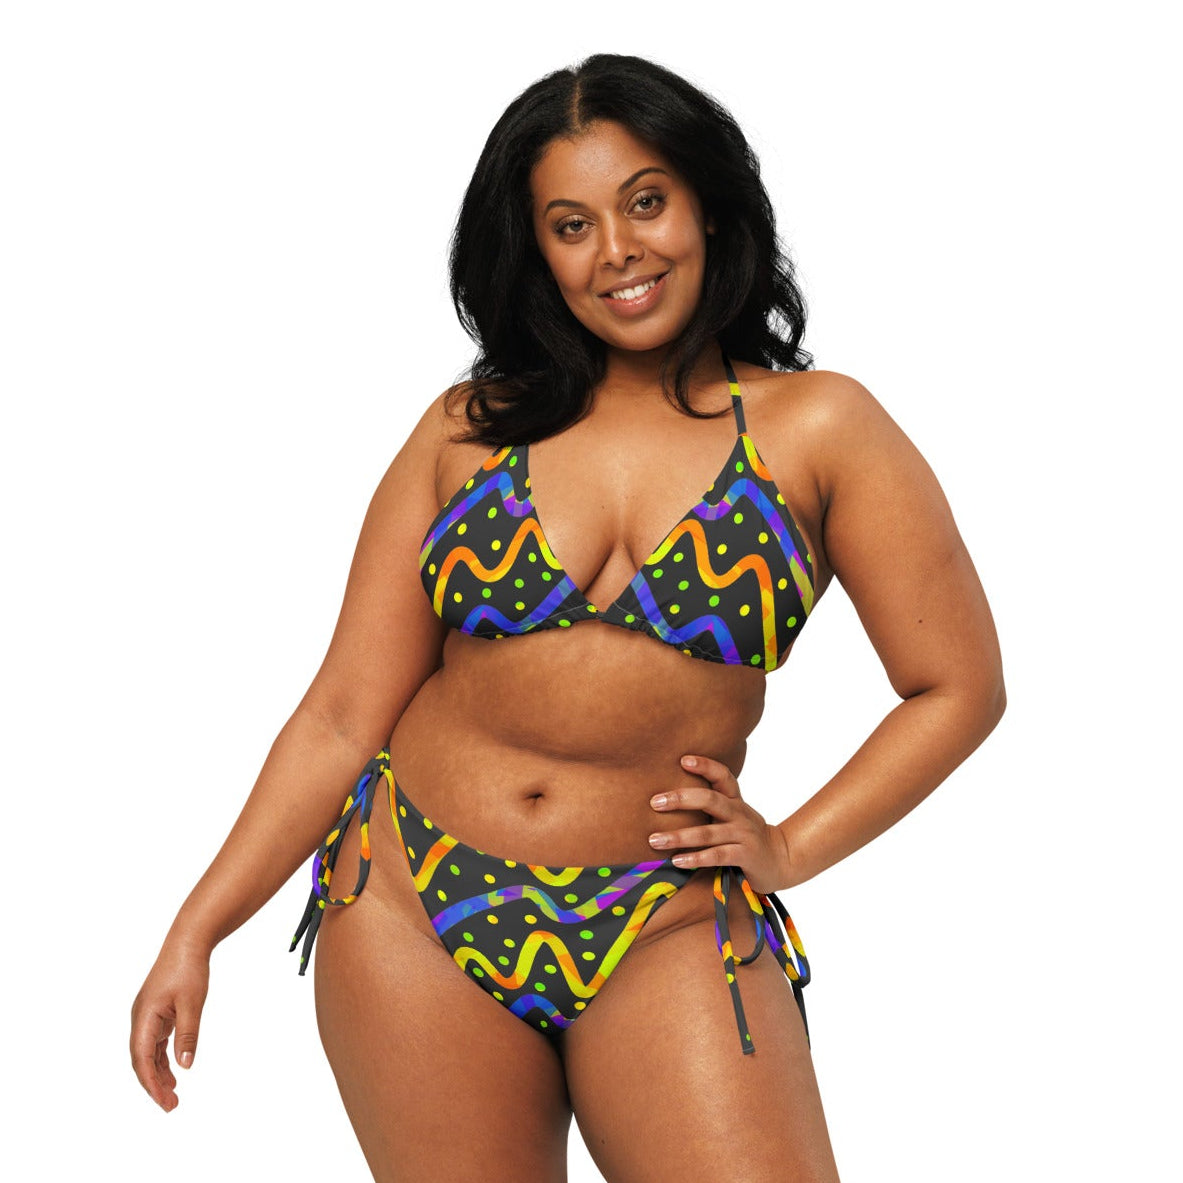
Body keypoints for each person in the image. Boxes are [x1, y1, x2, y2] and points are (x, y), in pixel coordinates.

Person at [131, 53, 1004, 1181]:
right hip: (412, 900)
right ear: (535, 250)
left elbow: (956, 686)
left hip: (664, 915)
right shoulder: (469, 428)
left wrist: (788, 847)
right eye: (571, 225)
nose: (618, 251)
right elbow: (343, 713)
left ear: (706, 203)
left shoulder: (819, 427)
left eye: (645, 201)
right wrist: (198, 925)